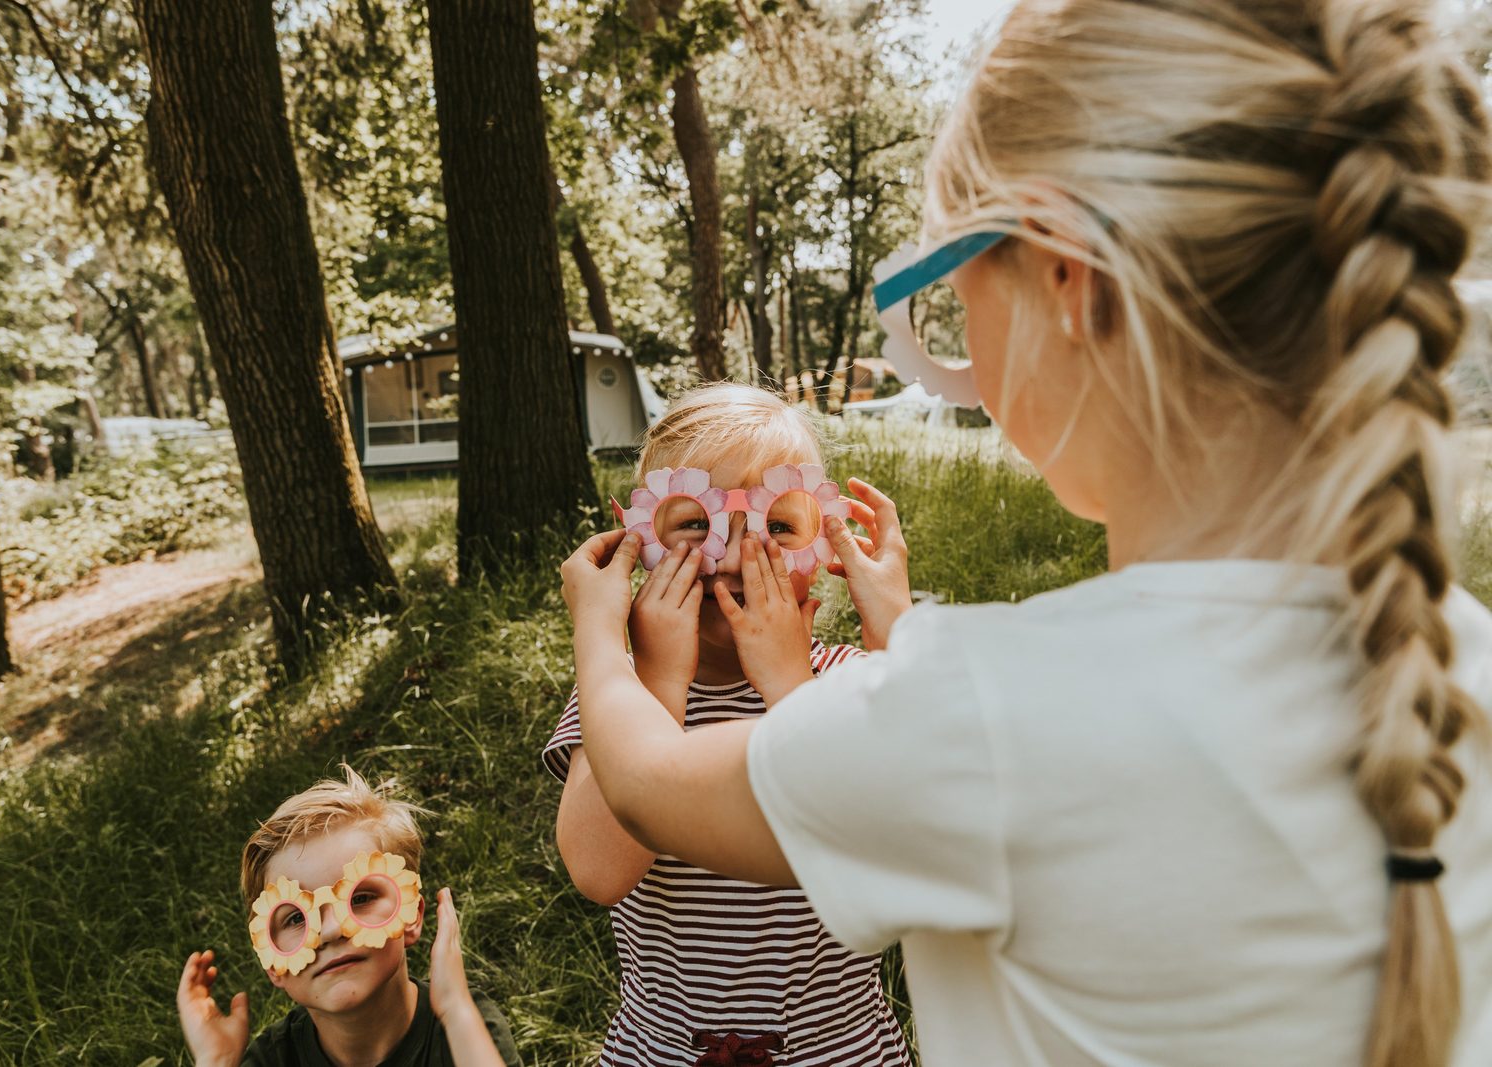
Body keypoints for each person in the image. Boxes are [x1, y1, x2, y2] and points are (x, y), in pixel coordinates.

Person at [558, 2, 1492, 1065]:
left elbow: (636, 781)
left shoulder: (978, 708)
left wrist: (601, 628)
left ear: (1063, 274)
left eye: (948, 281)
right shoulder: (1462, 663)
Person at [546, 383, 912, 1065]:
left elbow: (909, 831)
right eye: (694, 522)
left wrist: (799, 680)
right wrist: (655, 678)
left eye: (778, 524)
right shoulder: (616, 703)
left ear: (825, 540)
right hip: (661, 1051)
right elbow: (599, 870)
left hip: (840, 1049)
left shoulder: (848, 682)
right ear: (639, 541)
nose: (738, 551)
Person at [176, 767, 522, 1067]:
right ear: (270, 962)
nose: (330, 929)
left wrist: (456, 1012)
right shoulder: (274, 1060)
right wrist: (217, 1061)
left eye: (361, 898)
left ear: (413, 916)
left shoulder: (466, 1029)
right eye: (296, 918)